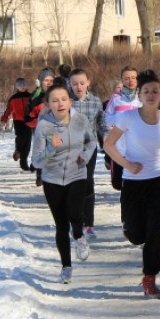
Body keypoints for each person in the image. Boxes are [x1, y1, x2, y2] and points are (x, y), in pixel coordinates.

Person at [103, 70, 160, 299]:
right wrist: (126, 165)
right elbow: (109, 145)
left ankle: (150, 278)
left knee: (155, 231)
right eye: (146, 91)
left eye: (155, 91)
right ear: (139, 94)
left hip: (159, 180)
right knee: (138, 235)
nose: (151, 95)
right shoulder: (127, 118)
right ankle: (130, 227)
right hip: (133, 182)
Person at [31, 84, 96, 283]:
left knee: (75, 214)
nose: (60, 103)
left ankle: (79, 235)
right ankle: (66, 267)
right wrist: (51, 147)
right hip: (52, 179)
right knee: (60, 224)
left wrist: (84, 156)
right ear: (48, 104)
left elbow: (91, 141)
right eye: (55, 100)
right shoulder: (44, 126)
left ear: (70, 101)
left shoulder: (80, 120)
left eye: (63, 99)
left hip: (77, 174)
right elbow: (36, 161)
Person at [68, 69, 109, 239]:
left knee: (88, 181)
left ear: (88, 83)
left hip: (89, 148)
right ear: (70, 84)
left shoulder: (95, 101)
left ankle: (89, 224)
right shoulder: (66, 101)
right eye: (75, 83)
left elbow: (101, 120)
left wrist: (106, 135)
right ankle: (75, 221)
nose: (79, 87)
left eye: (82, 83)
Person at [104, 66, 141, 190]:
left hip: (138, 145)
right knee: (117, 183)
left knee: (137, 180)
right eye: (127, 78)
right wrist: (116, 122)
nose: (130, 81)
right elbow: (106, 117)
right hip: (119, 146)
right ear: (122, 80)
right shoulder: (116, 99)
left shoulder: (142, 97)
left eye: (133, 78)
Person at [27, 68, 55, 187]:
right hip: (40, 130)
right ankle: (40, 173)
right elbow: (28, 116)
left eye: (51, 80)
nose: (48, 83)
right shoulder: (36, 97)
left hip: (56, 129)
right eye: (46, 80)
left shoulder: (59, 94)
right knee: (44, 151)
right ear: (41, 81)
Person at [2, 78, 33, 171]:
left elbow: (36, 107)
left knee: (27, 141)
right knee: (20, 137)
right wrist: (4, 119)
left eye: (24, 85)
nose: (22, 87)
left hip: (28, 121)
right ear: (17, 87)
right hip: (18, 121)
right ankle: (18, 150)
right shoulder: (13, 98)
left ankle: (23, 162)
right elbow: (8, 110)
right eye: (20, 85)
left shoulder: (30, 96)